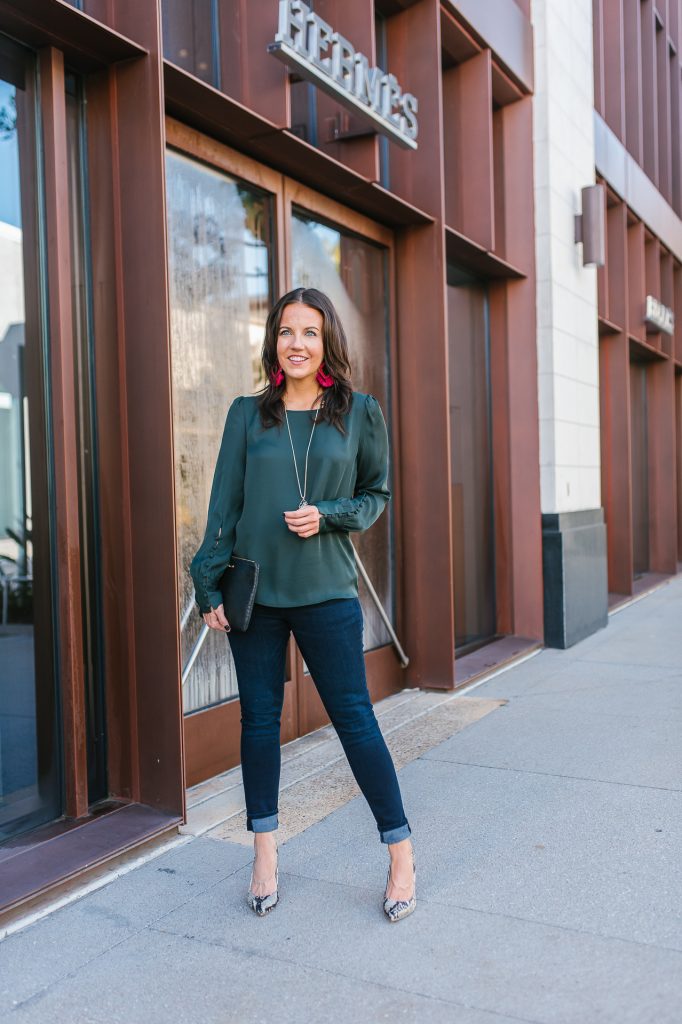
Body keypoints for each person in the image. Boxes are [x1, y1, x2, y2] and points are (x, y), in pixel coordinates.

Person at [190, 287, 415, 922]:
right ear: (273, 341)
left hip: (326, 593)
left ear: (326, 342)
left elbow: (377, 493)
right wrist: (208, 584)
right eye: (286, 331)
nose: (296, 343)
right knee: (259, 724)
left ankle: (400, 853)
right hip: (257, 597)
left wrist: (331, 515)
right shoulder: (245, 414)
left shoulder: (359, 412)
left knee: (355, 723)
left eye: (310, 332)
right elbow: (223, 509)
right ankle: (264, 852)